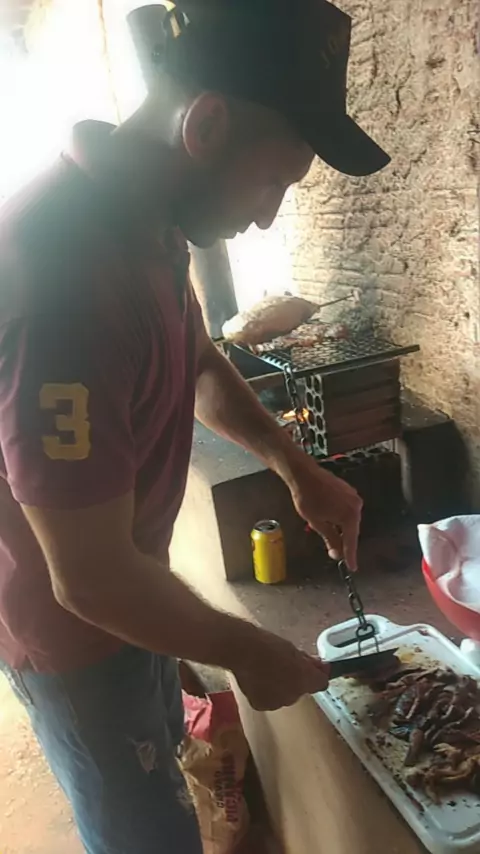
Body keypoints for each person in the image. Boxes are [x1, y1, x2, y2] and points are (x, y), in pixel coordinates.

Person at [0, 1, 389, 852]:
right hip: (77, 640)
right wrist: (250, 649)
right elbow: (89, 580)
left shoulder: (146, 219)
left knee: (168, 798)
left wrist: (297, 469)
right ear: (206, 125)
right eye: (273, 181)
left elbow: (199, 362)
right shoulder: (60, 276)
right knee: (144, 835)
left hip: (135, 592)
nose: (268, 215)